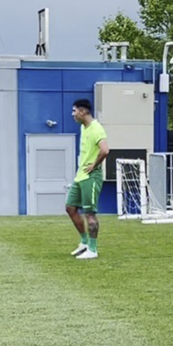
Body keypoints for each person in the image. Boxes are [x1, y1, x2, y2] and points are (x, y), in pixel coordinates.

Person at [66, 99, 109, 259]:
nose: (73, 114)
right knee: (70, 208)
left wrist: (94, 165)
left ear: (83, 112)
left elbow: (105, 150)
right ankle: (84, 242)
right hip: (80, 176)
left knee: (89, 213)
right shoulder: (83, 127)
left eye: (74, 111)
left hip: (91, 176)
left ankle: (93, 249)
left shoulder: (96, 128)